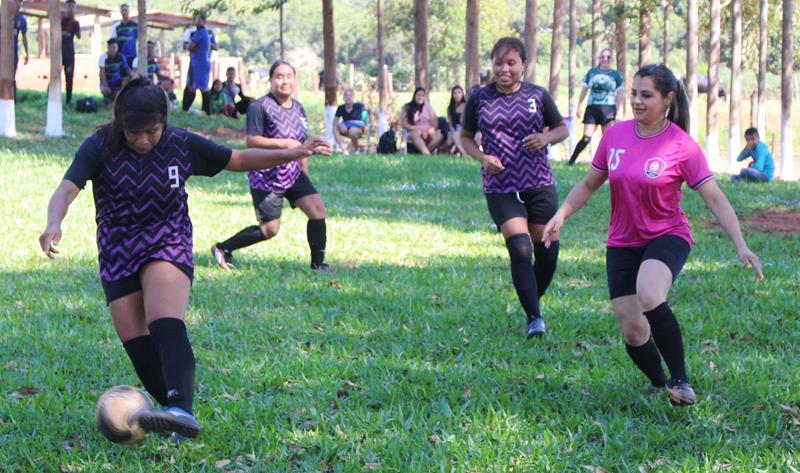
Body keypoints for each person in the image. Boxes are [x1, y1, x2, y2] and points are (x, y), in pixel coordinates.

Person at [39, 77, 330, 444]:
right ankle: (173, 415)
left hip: (167, 239)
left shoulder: (180, 143)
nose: (143, 140)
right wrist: (54, 222)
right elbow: (67, 188)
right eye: (134, 133)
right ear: (120, 124)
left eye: (151, 131)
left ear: (164, 121)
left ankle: (181, 409)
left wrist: (293, 152)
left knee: (165, 321)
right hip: (117, 248)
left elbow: (236, 159)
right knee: (137, 343)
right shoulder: (100, 145)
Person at [542, 64, 763, 406]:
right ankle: (662, 385)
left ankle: (681, 380)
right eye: (634, 94)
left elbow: (715, 198)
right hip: (622, 241)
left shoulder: (681, 145)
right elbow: (588, 184)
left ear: (667, 99)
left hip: (667, 235)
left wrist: (740, 243)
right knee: (633, 330)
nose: (637, 101)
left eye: (646, 95)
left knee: (649, 292)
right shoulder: (614, 136)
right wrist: (561, 214)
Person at [461, 37, 568, 338]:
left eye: (511, 63)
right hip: (500, 184)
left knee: (546, 252)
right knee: (521, 248)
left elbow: (562, 128)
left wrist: (545, 139)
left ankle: (530, 298)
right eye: (498, 62)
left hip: (538, 181)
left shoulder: (538, 95)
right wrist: (482, 157)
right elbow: (466, 136)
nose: (504, 69)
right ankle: (535, 317)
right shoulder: (480, 97)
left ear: (523, 64)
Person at [211, 60, 331, 272]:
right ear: (271, 79)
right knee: (269, 230)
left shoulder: (299, 108)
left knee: (317, 210)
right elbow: (252, 140)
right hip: (266, 176)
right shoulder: (259, 107)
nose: (285, 81)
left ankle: (318, 265)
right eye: (279, 76)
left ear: (295, 80)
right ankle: (222, 248)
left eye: (289, 76)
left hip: (293, 174)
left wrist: (304, 169)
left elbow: (300, 143)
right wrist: (284, 144)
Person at [568, 48, 625, 165]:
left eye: (608, 57)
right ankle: (572, 160)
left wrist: (619, 111)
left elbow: (620, 94)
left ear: (611, 59)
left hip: (609, 109)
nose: (605, 59)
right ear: (599, 58)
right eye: (603, 56)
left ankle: (608, 164)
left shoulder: (616, 75)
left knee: (608, 140)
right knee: (586, 138)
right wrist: (579, 105)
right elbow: (584, 89)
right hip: (592, 109)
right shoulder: (592, 72)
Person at [181, 15, 217, 113]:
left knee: (198, 87)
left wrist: (191, 46)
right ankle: (189, 109)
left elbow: (190, 46)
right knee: (194, 86)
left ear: (203, 21)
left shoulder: (200, 32)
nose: (195, 21)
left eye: (198, 19)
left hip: (198, 64)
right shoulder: (201, 32)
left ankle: (189, 110)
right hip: (201, 63)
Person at [401, 87, 443, 155]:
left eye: (422, 95)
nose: (420, 97)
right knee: (415, 134)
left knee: (440, 136)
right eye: (418, 95)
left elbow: (435, 124)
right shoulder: (407, 107)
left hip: (428, 132)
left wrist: (428, 131)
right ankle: (427, 154)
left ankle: (424, 152)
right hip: (414, 131)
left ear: (425, 97)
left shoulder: (429, 107)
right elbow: (404, 123)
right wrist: (415, 129)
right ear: (414, 96)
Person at [0, 0, 28, 99]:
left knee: (12, 75)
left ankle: (12, 99)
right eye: (16, 1)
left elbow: (24, 37)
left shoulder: (22, 19)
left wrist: (27, 53)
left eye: (20, 2)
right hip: (1, 50)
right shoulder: (2, 15)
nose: (18, 4)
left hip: (13, 51)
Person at [333, 88, 367, 153]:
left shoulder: (359, 106)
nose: (348, 97)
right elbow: (334, 122)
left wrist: (370, 122)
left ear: (353, 97)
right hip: (346, 128)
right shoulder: (341, 108)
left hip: (358, 128)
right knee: (334, 128)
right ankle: (344, 149)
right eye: (346, 95)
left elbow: (369, 110)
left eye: (350, 95)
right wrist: (340, 125)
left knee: (352, 130)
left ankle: (357, 149)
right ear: (343, 98)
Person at [61, 0, 81, 106]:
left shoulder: (76, 23)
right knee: (54, 76)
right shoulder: (61, 19)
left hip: (69, 54)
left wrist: (74, 22)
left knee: (69, 78)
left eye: (73, 6)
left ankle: (68, 101)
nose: (71, 8)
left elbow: (79, 36)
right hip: (58, 54)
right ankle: (50, 99)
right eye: (69, 6)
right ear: (66, 7)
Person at [98, 38, 130, 106]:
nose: (113, 49)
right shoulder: (103, 57)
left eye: (114, 47)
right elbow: (102, 73)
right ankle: (108, 99)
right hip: (107, 82)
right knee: (106, 91)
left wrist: (133, 77)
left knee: (127, 79)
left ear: (117, 47)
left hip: (117, 81)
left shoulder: (121, 57)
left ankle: (117, 100)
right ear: (108, 48)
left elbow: (127, 70)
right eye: (111, 47)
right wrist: (106, 86)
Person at [110, 3, 137, 69]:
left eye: (126, 10)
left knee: (133, 76)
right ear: (120, 12)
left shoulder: (135, 25)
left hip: (132, 56)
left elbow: (139, 40)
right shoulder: (116, 26)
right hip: (120, 56)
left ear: (129, 11)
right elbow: (113, 41)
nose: (124, 12)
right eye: (123, 10)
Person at [445, 85, 467, 156]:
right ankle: (452, 152)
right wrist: (452, 129)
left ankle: (464, 154)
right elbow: (450, 123)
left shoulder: (466, 106)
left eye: (459, 93)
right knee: (449, 142)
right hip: (454, 130)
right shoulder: (450, 108)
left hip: (464, 129)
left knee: (456, 136)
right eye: (455, 93)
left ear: (462, 94)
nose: (457, 95)